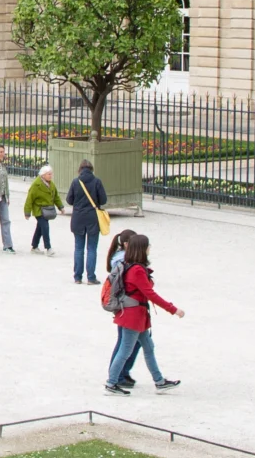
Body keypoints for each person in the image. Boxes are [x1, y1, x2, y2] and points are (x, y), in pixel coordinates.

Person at [104, 230, 183, 393]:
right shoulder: (137, 270)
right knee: (126, 350)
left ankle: (159, 381)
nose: (149, 249)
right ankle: (111, 383)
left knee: (148, 347)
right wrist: (173, 309)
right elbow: (150, 294)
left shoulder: (129, 265)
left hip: (134, 315)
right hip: (134, 317)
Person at [67, 158, 110, 285]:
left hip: (78, 218)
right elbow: (103, 200)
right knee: (91, 248)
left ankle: (77, 277)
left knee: (78, 248)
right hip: (92, 218)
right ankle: (91, 277)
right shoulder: (97, 181)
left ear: (80, 169)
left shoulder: (75, 182)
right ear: (91, 169)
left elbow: (69, 200)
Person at [24, 164, 61, 251]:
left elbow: (56, 197)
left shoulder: (51, 184)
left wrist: (61, 207)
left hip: (47, 210)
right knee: (45, 227)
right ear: (43, 175)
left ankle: (34, 246)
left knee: (40, 228)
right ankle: (48, 247)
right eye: (49, 174)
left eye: (51, 174)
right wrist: (27, 212)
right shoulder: (36, 185)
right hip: (39, 210)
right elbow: (29, 199)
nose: (51, 176)